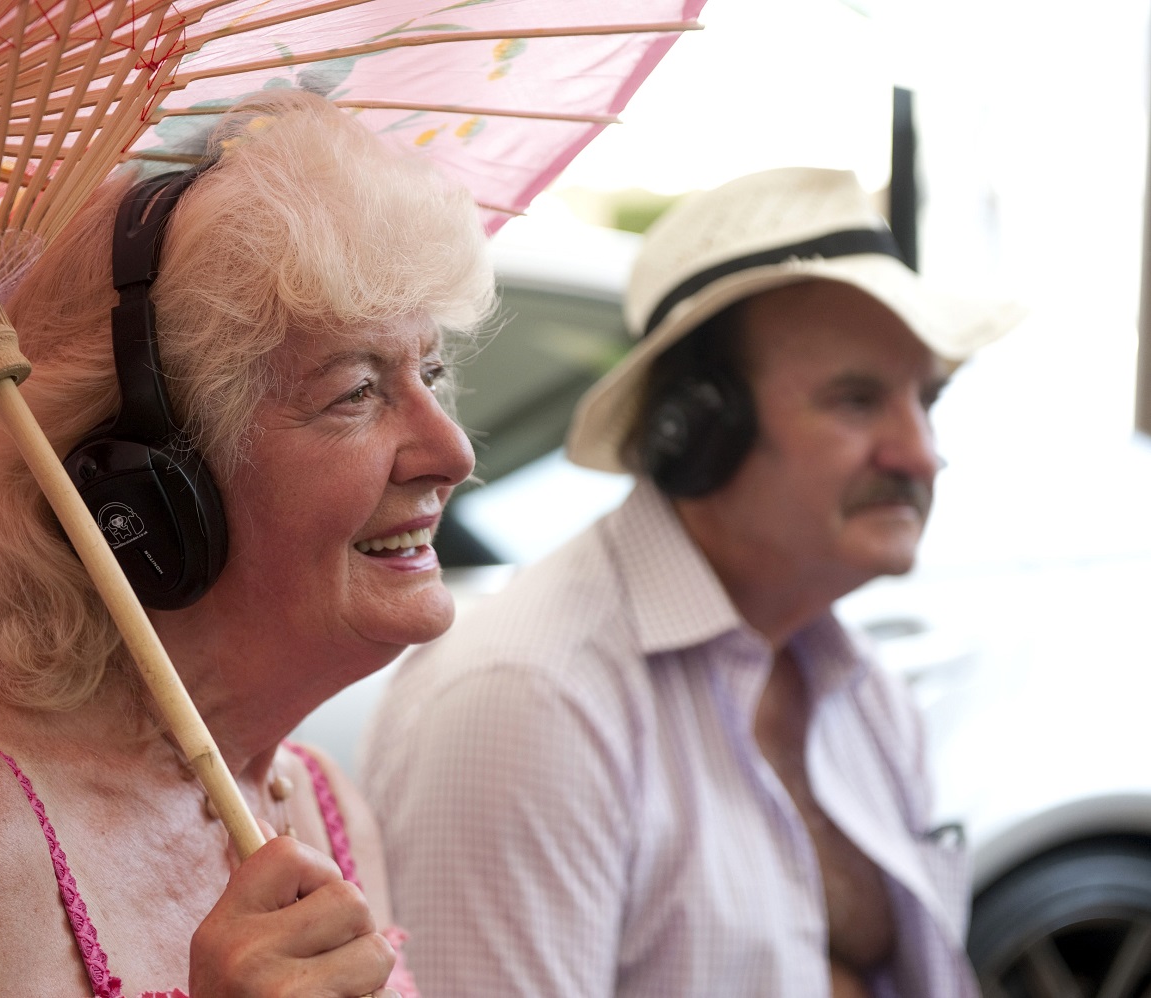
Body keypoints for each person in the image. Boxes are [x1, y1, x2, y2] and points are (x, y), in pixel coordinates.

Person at [0, 89, 495, 997]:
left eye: (431, 370)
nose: (453, 452)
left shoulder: (319, 805)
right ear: (157, 491)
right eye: (356, 391)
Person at [360, 167, 1025, 998]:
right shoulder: (527, 700)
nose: (920, 453)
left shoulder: (859, 688)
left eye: (927, 399)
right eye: (857, 401)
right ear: (696, 430)